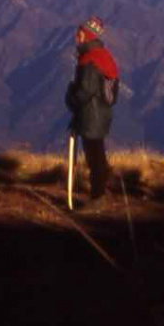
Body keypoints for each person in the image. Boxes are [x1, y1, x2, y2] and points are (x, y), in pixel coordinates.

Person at [64, 15, 120, 204]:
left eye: (79, 35)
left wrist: (71, 99)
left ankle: (98, 197)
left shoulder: (89, 60)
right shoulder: (104, 57)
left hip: (91, 116)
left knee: (94, 158)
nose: (76, 38)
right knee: (98, 154)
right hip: (102, 115)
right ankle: (103, 190)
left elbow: (85, 90)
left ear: (88, 36)